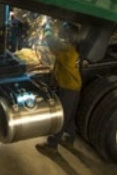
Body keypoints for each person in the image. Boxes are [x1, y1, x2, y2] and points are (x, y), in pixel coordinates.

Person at [35, 21, 82, 156]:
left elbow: (52, 44)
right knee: (70, 116)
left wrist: (47, 28)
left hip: (68, 88)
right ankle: (69, 139)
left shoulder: (67, 50)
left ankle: (52, 145)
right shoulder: (75, 47)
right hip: (75, 87)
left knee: (62, 117)